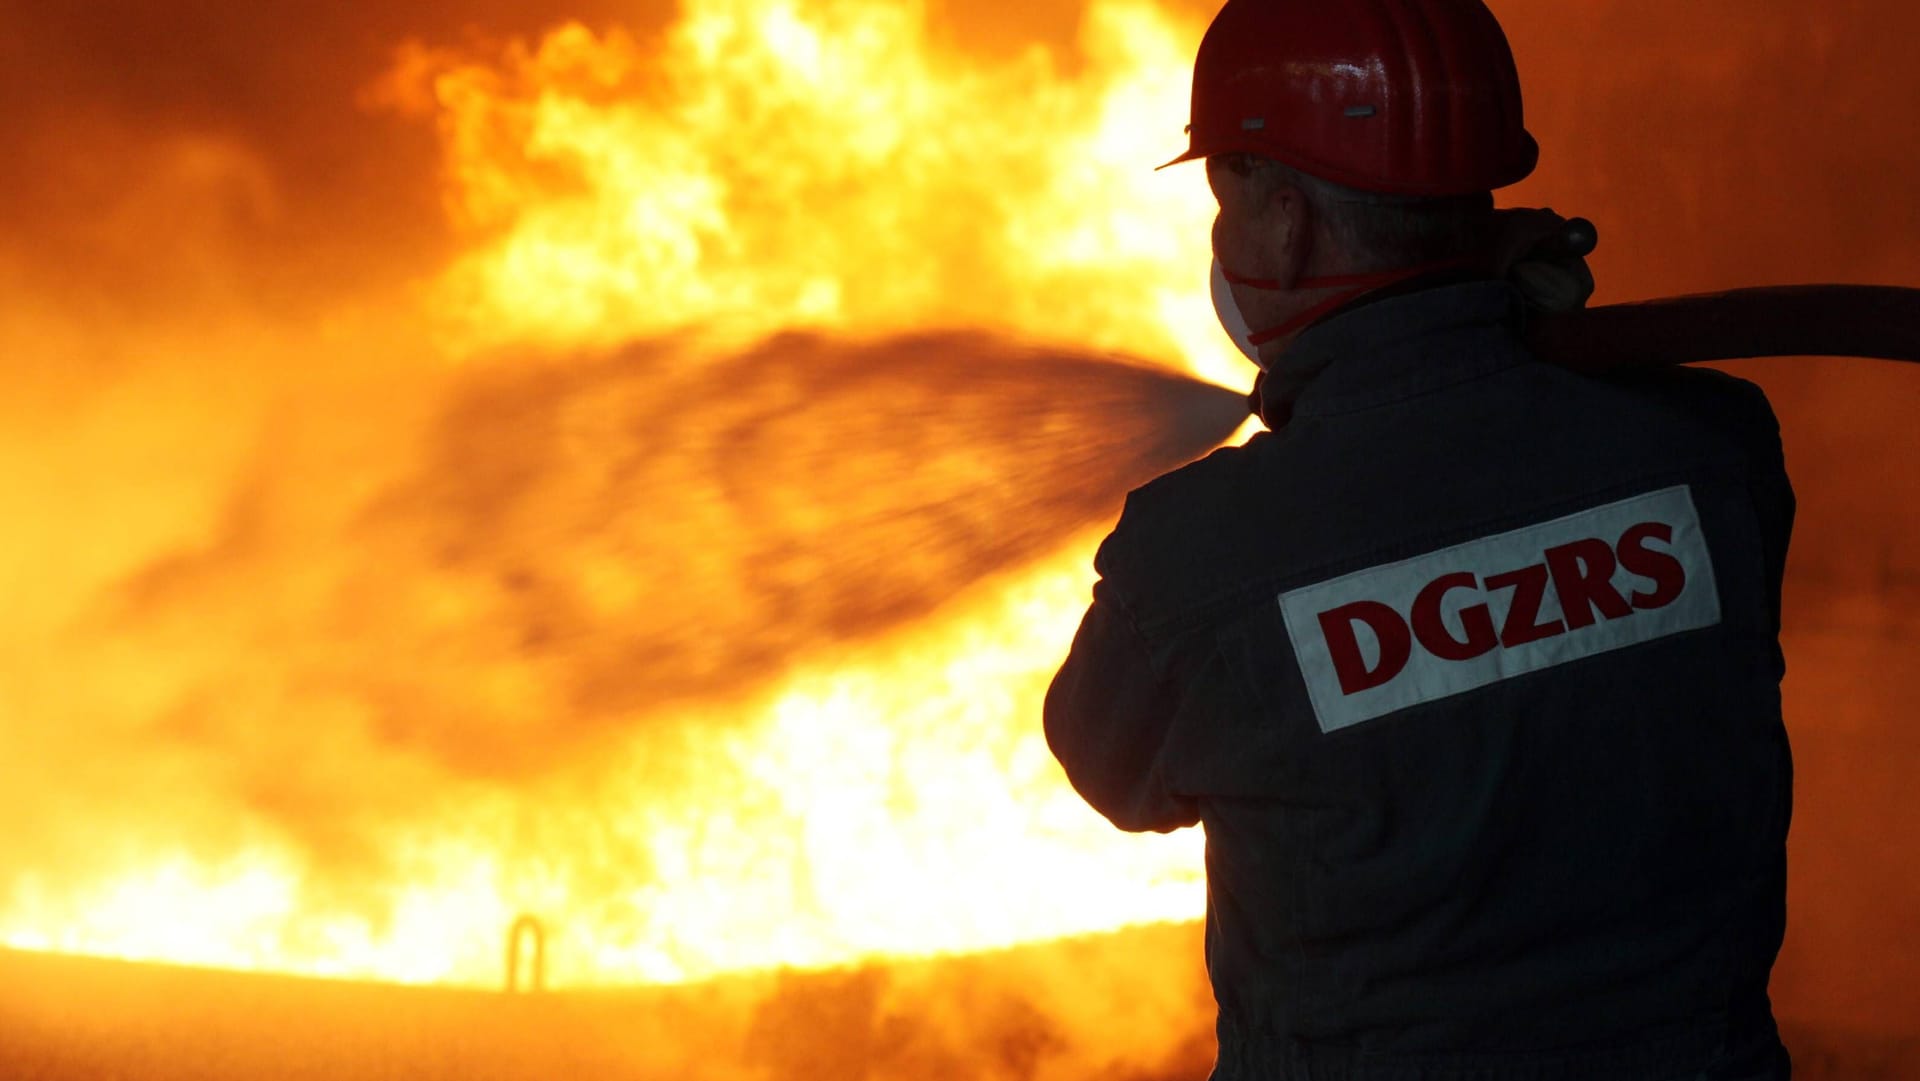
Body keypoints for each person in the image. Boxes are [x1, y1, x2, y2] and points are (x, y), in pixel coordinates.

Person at [1042, 2, 1796, 1079]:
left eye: (1228, 196)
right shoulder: (1716, 448)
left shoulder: (1199, 560)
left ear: (1290, 222)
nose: (1224, 236)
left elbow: (1111, 766)